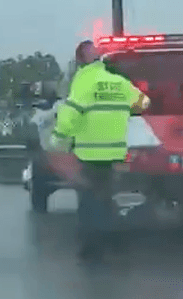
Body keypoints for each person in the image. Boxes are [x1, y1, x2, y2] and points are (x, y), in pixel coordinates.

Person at [49, 39, 150, 246]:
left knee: (88, 199)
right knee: (106, 196)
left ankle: (91, 247)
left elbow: (69, 116)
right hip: (115, 152)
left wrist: (57, 139)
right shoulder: (118, 82)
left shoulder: (84, 80)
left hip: (89, 153)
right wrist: (123, 111)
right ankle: (110, 239)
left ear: (80, 61)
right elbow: (144, 102)